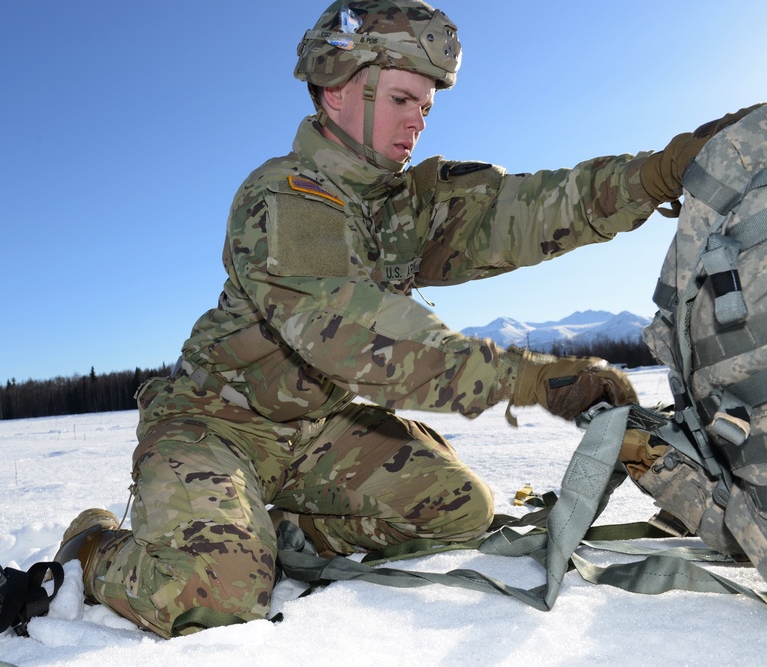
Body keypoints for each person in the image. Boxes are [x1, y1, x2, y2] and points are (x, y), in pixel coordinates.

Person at [57, 0, 759, 637]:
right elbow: (363, 337)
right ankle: (98, 548)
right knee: (219, 593)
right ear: (336, 89)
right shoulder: (285, 199)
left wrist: (665, 171)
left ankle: (275, 531)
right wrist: (531, 379)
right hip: (213, 429)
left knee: (460, 509)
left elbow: (535, 208)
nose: (417, 120)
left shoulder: (403, 207)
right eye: (399, 98)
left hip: (313, 433)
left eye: (425, 105)